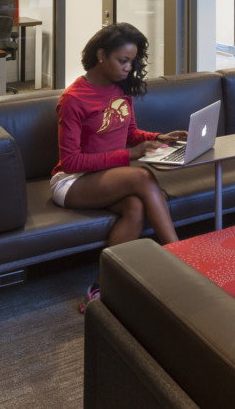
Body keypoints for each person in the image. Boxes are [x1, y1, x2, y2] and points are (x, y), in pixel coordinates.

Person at [49, 23, 186, 308]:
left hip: (107, 177)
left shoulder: (120, 89)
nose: (128, 67)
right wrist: (130, 155)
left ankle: (100, 287)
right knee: (141, 176)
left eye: (131, 61)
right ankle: (179, 254)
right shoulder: (73, 99)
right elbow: (71, 161)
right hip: (73, 181)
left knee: (136, 207)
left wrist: (160, 137)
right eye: (123, 60)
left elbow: (131, 133)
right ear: (101, 55)